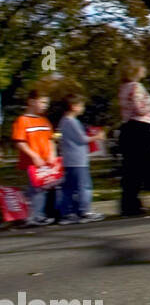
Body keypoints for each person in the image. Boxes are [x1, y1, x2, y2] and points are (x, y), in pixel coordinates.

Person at [117, 59, 150, 217]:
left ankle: (128, 202)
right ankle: (132, 204)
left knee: (130, 168)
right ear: (136, 70)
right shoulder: (136, 87)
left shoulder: (123, 87)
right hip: (139, 128)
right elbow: (140, 109)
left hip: (128, 127)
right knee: (138, 166)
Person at [57, 94, 106, 224]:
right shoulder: (72, 121)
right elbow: (82, 139)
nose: (83, 108)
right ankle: (84, 211)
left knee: (69, 187)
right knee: (84, 186)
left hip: (69, 160)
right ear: (74, 107)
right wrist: (97, 137)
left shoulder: (63, 121)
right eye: (81, 105)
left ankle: (68, 213)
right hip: (78, 160)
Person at [12, 89, 55, 227]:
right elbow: (20, 142)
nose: (45, 105)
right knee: (34, 190)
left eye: (46, 102)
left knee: (41, 189)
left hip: (44, 163)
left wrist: (52, 154)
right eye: (42, 102)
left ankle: (38, 215)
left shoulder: (44, 120)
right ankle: (31, 216)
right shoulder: (23, 120)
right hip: (31, 163)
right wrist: (34, 155)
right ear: (31, 102)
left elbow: (50, 139)